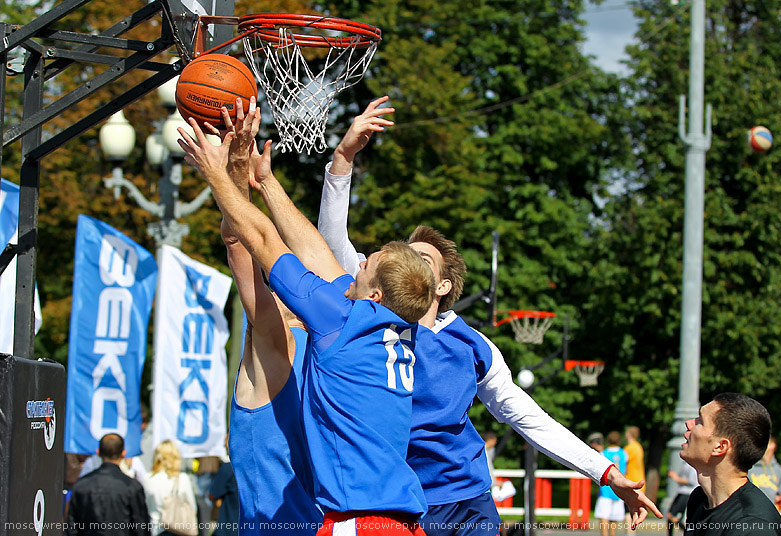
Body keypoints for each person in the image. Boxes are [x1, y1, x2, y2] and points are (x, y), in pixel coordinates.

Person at [316, 96, 662, 535]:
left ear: (441, 287)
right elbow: (330, 243)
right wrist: (343, 158)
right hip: (406, 501)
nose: (407, 259)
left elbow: (527, 416)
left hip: (468, 499)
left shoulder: (473, 347)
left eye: (422, 258)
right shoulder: (369, 313)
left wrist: (604, 472)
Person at [177, 99, 436, 534]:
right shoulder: (383, 327)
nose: (356, 261)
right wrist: (264, 180)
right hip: (402, 519)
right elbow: (317, 252)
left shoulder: (332, 324)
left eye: (367, 262)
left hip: (360, 523)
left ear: (374, 294)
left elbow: (252, 240)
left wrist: (219, 173)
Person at [219, 136, 322, 535]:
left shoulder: (293, 349)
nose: (277, 288)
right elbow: (240, 245)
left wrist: (232, 168)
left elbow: (239, 246)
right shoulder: (338, 352)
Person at [681, 393, 781, 536]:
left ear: (720, 447)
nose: (689, 423)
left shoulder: (751, 527)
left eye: (700, 421)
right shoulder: (700, 499)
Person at [66, 433, 150, 536]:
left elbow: (71, 526)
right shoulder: (132, 487)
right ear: (123, 454)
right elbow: (141, 527)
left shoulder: (81, 485)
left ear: (98, 453)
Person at [143, 439, 197, 535]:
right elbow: (192, 507)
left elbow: (145, 505)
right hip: (180, 529)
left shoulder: (148, 478)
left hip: (156, 529)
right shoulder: (182, 478)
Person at [595, 432, 628, 536]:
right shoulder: (624, 453)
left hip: (606, 489)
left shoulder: (604, 453)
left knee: (604, 515)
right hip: (619, 490)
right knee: (614, 517)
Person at [666, 457, 699, 536]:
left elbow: (692, 481)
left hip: (686, 493)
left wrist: (676, 478)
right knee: (670, 516)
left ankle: (688, 532)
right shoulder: (684, 463)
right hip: (681, 492)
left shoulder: (692, 465)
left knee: (672, 516)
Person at [748, 436, 781, 504]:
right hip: (752, 510)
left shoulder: (779, 470)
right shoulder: (749, 468)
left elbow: (778, 495)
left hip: (769, 511)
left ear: (773, 445)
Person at [623, 426, 646, 533]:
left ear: (629, 434)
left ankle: (630, 533)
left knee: (629, 512)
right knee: (634, 510)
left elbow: (623, 464)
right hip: (639, 480)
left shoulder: (629, 449)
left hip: (630, 481)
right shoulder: (638, 447)